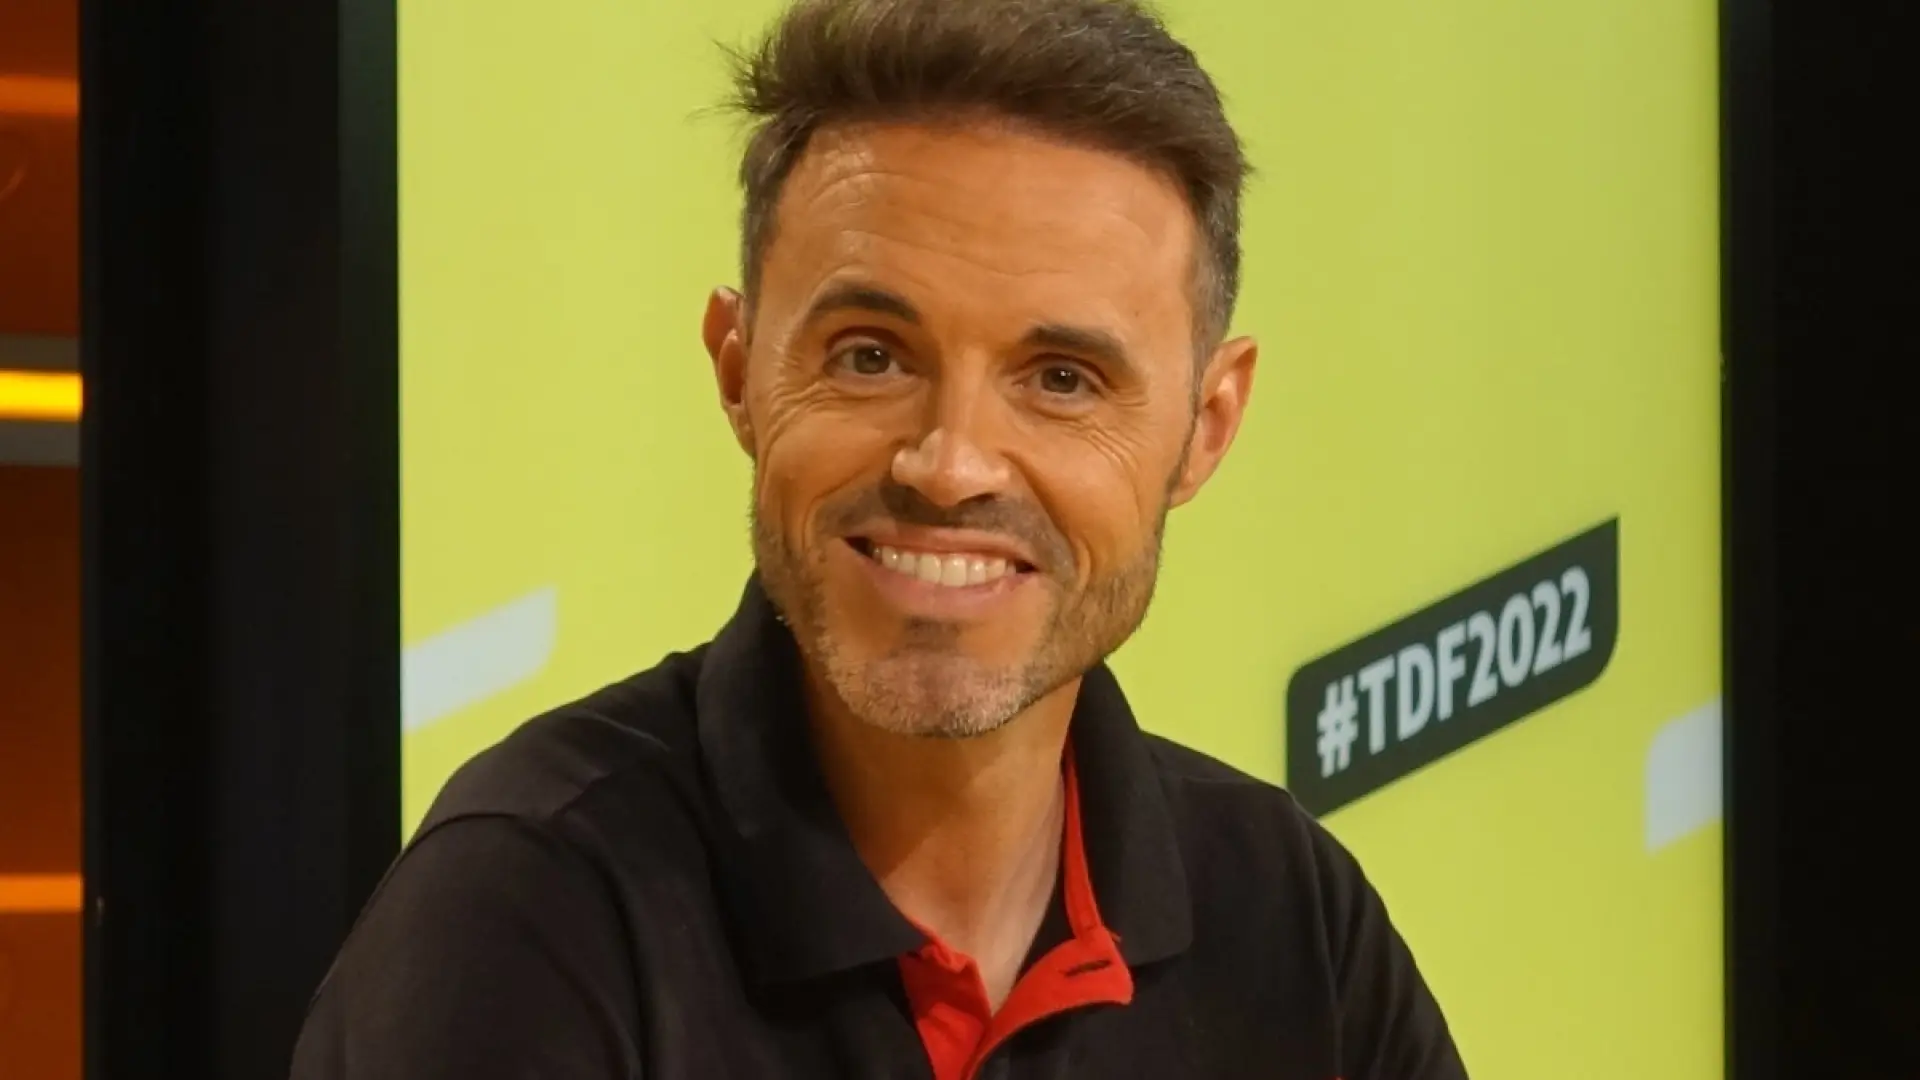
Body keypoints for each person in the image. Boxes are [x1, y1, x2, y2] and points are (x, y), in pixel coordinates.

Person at [291, 1, 1467, 1077]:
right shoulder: (525, 912)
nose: (950, 464)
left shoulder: (1289, 916)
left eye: (1062, 378)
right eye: (870, 356)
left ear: (1206, 428)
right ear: (740, 372)